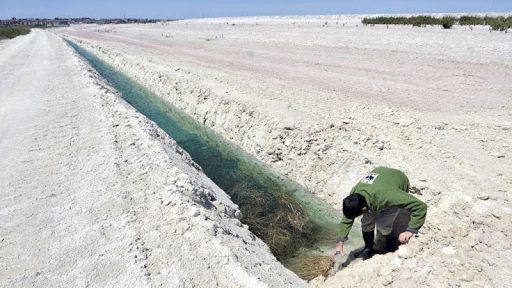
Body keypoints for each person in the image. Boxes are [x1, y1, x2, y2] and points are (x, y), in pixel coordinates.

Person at [332, 167, 427, 259]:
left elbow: (420, 206)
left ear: (364, 209)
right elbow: (347, 218)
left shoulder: (388, 196)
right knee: (366, 223)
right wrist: (340, 244)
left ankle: (390, 244)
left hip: (398, 179)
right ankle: (368, 248)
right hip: (380, 174)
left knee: (383, 225)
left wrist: (410, 230)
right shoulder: (354, 196)